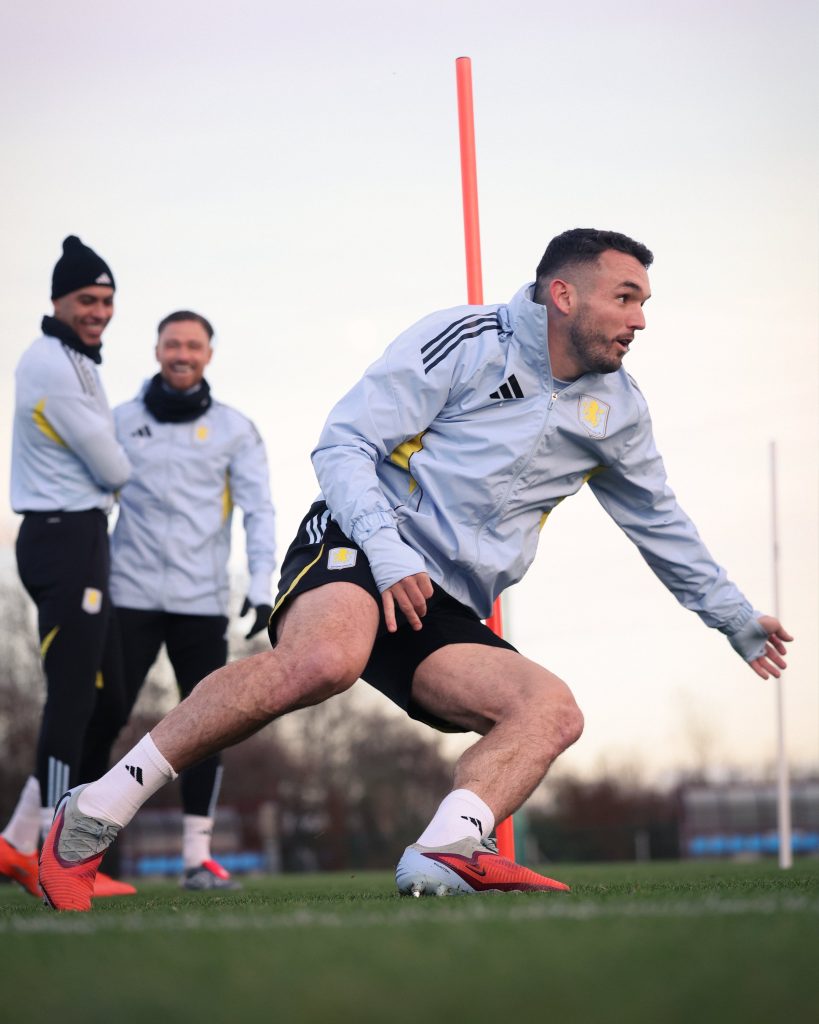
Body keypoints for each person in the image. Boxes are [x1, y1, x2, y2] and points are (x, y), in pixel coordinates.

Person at [38, 228, 792, 911]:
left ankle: (445, 847)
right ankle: (96, 808)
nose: (639, 320)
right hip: (360, 542)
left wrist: (731, 615)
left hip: (441, 601)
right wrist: (390, 553)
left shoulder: (619, 410)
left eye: (643, 303)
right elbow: (341, 446)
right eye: (625, 298)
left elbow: (659, 522)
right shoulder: (463, 340)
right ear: (563, 294)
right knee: (327, 659)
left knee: (551, 712)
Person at [82, 310, 277, 890]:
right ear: (157, 350)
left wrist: (262, 586)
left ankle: (197, 859)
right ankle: (74, 851)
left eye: (193, 345)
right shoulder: (118, 422)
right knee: (103, 717)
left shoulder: (235, 429)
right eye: (173, 344)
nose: (182, 353)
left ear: (209, 354)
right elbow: (92, 504)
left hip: (200, 601)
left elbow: (258, 510)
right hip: (129, 595)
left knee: (208, 724)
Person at [0, 236, 135, 899]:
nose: (99, 311)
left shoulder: (72, 359)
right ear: (58, 300)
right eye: (87, 299)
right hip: (65, 536)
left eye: (107, 300)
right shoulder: (60, 364)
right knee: (73, 696)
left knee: (107, 703)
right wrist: (118, 471)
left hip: (79, 537)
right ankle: (57, 847)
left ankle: (20, 843)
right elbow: (113, 467)